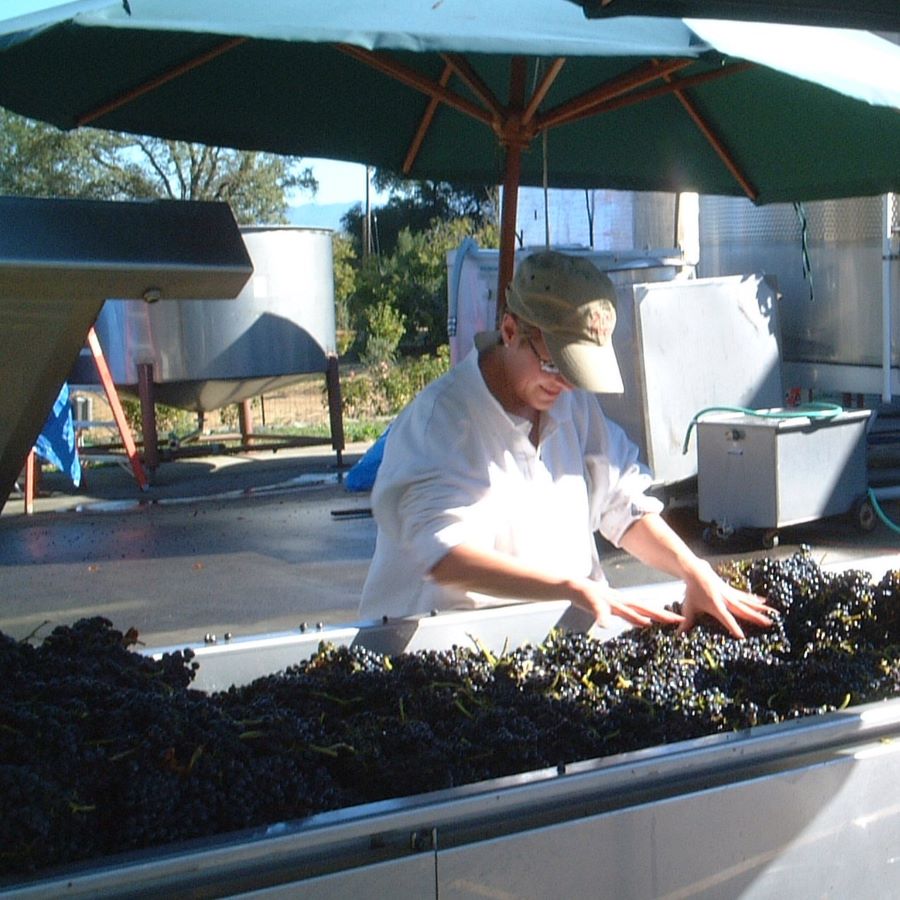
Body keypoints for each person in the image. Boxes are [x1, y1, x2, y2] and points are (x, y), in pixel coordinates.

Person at [359, 251, 773, 638]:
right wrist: (568, 586)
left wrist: (692, 570)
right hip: (445, 651)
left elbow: (622, 502)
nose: (567, 384)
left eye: (578, 371)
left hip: (554, 643)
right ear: (509, 331)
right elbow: (446, 557)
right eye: (557, 364)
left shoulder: (570, 402)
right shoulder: (442, 423)